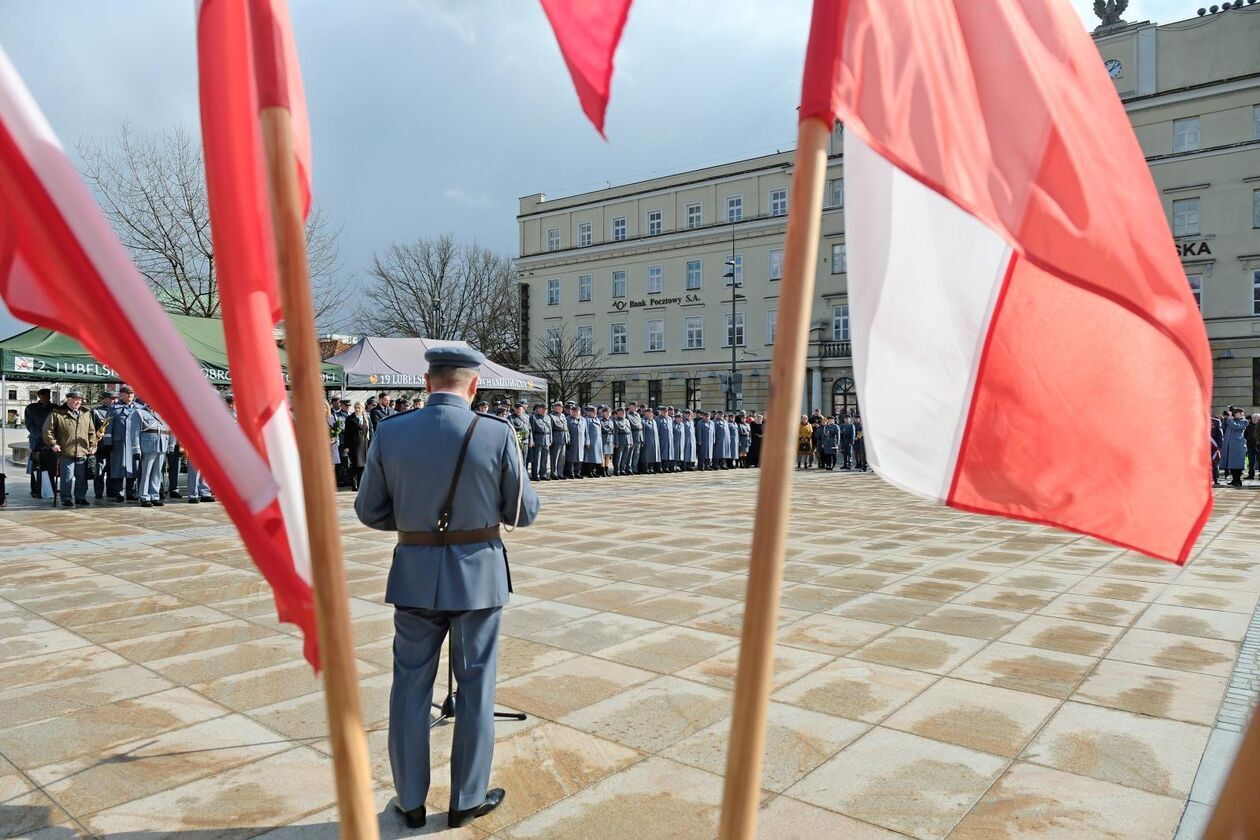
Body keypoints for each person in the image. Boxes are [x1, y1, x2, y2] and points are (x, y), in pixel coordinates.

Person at [354, 345, 539, 830]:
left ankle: (410, 800)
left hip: (414, 573)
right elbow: (524, 511)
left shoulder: (391, 432)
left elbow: (369, 510)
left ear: (426, 381)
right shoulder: (496, 433)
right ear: (473, 385)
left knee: (409, 688)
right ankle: (466, 799)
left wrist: (417, 522)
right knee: (476, 688)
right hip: (478, 576)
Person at [42, 389, 97, 507]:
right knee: (67, 477)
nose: (77, 402)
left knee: (82, 477)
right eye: (74, 400)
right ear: (68, 400)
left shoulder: (86, 413)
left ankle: (80, 497)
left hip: (82, 451)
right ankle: (66, 498)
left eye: (79, 400)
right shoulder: (57, 413)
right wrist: (53, 444)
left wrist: (93, 444)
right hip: (66, 451)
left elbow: (91, 431)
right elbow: (47, 430)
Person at [106, 385, 143, 501]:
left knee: (133, 468)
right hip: (119, 444)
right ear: (121, 394)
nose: (130, 395)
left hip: (134, 444)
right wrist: (108, 442)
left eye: (132, 393)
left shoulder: (139, 408)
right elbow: (107, 427)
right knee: (118, 469)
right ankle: (119, 493)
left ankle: (131, 492)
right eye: (127, 393)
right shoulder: (113, 408)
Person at [134, 401, 170, 507]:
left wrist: (169, 445)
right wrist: (136, 449)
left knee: (157, 473)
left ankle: (154, 495)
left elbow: (168, 429)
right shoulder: (139, 412)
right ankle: (144, 496)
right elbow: (134, 432)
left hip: (161, 445)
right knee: (146, 473)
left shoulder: (161, 413)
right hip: (147, 446)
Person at [25, 388, 54, 498]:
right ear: (39, 396)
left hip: (51, 441)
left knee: (50, 466)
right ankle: (35, 489)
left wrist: (51, 438)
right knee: (36, 466)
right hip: (36, 441)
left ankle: (50, 488)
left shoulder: (54, 408)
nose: (47, 397)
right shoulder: (31, 408)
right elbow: (29, 425)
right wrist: (43, 435)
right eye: (44, 395)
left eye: (48, 395)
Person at [91, 391, 116, 499]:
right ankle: (99, 492)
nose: (114, 400)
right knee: (100, 471)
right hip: (101, 446)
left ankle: (111, 491)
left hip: (114, 445)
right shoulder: (96, 411)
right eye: (111, 398)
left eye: (115, 398)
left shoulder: (116, 410)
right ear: (104, 399)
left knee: (112, 470)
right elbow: (91, 429)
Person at [345, 401, 372, 491]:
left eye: (359, 407)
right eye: (356, 407)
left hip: (364, 444)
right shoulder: (350, 419)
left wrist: (371, 444)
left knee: (363, 465)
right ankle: (354, 485)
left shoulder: (366, 418)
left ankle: (361, 484)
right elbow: (347, 434)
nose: (357, 409)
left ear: (363, 408)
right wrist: (346, 447)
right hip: (354, 445)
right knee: (355, 465)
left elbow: (370, 432)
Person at [1221, 407, 1249, 488]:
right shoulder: (1231, 420)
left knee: (1237, 463)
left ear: (1241, 414)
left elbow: (1235, 427)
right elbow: (1223, 427)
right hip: (1229, 446)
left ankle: (1238, 480)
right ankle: (1234, 480)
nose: (1235, 414)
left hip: (1238, 446)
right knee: (1231, 463)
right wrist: (1226, 418)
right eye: (1235, 413)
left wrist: (1230, 419)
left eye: (1237, 413)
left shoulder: (1244, 421)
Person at [527, 403, 551, 480]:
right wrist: (532, 440)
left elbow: (550, 430)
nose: (544, 410)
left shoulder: (548, 417)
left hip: (547, 439)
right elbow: (531, 431)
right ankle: (535, 475)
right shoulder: (533, 418)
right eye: (543, 408)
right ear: (538, 409)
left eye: (546, 409)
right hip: (538, 439)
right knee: (537, 458)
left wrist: (550, 439)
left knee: (544, 459)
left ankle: (543, 474)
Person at [547, 401, 568, 479]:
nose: (561, 408)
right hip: (556, 438)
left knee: (562, 457)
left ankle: (560, 473)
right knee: (555, 457)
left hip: (563, 438)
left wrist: (567, 438)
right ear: (555, 407)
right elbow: (550, 429)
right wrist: (551, 440)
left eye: (562, 407)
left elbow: (566, 427)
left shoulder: (563, 415)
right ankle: (554, 473)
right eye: (560, 407)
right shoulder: (551, 416)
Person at [582, 405, 603, 477]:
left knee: (596, 458)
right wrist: (587, 441)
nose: (594, 413)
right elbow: (586, 431)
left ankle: (594, 471)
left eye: (595, 412)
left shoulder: (597, 419)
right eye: (593, 412)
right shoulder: (587, 420)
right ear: (589, 412)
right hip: (591, 441)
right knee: (590, 458)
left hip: (597, 441)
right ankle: (589, 472)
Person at [612, 407, 632, 475]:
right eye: (621, 412)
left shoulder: (627, 421)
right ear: (618, 413)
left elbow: (630, 431)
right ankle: (617, 470)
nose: (623, 413)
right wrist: (616, 442)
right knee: (618, 456)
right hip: (620, 439)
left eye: (624, 412)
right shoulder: (615, 421)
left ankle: (622, 469)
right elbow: (615, 433)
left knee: (625, 456)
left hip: (627, 439)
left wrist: (631, 441)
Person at [626, 402, 644, 475]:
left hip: (639, 435)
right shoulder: (628, 415)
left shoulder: (637, 415)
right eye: (634, 406)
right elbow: (632, 426)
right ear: (630, 407)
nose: (636, 408)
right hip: (633, 435)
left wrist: (642, 438)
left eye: (636, 406)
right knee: (630, 454)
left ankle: (635, 468)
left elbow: (640, 426)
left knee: (637, 454)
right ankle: (629, 468)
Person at [641, 407, 660, 473]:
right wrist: (642, 441)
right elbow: (642, 432)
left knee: (653, 455)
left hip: (654, 441)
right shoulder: (643, 421)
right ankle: (645, 469)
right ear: (645, 414)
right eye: (648, 413)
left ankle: (651, 468)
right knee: (646, 456)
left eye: (651, 413)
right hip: (647, 441)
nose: (650, 414)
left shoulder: (654, 421)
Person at [1246, 413, 1259, 482]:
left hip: (1258, 446)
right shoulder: (1249, 426)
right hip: (1250, 446)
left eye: (1256, 418)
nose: (1254, 419)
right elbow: (1245, 435)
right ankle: (1251, 475)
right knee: (1251, 462)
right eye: (1253, 418)